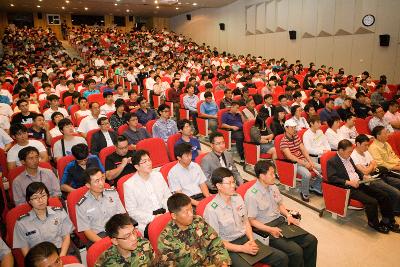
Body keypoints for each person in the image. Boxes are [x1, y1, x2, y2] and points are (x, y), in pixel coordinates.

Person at [203, 167, 289, 267]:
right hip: (228, 247)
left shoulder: (237, 198)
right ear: (218, 186)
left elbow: (246, 222)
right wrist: (242, 248)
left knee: (282, 258)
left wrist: (251, 240)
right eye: (229, 183)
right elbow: (215, 242)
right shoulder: (211, 210)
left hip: (246, 238)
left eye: (233, 182)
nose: (233, 186)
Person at [245, 160, 318, 267]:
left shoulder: (273, 187)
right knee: (296, 251)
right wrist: (270, 229)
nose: (274, 176)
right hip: (267, 228)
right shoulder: (251, 195)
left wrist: (288, 215)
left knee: (311, 240)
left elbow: (280, 205)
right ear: (262, 176)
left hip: (281, 222)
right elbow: (251, 221)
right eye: (271, 174)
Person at [327, 139, 399, 233]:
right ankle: (374, 224)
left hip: (360, 183)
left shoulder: (349, 158)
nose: (350, 153)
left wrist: (363, 176)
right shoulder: (332, 161)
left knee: (383, 195)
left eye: (351, 151)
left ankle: (388, 221)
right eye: (349, 151)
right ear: (341, 150)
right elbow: (332, 178)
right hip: (349, 188)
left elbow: (356, 171)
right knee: (372, 201)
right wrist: (348, 182)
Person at [158, 193, 231, 266]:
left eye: (191, 209)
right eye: (186, 212)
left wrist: (223, 263)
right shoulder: (165, 240)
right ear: (174, 216)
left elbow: (215, 242)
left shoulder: (198, 221)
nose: (191, 214)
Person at [13, 182, 74, 256]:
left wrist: (60, 258)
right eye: (35, 197)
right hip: (39, 258)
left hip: (60, 251)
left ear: (48, 196)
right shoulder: (21, 223)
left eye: (43, 196)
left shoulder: (59, 212)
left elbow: (66, 238)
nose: (40, 200)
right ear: (29, 201)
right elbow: (26, 252)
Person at [123, 150, 171, 237]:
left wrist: (167, 213)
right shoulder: (129, 185)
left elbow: (167, 196)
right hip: (148, 220)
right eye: (144, 162)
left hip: (166, 213)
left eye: (149, 160)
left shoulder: (158, 175)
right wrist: (153, 218)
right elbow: (132, 211)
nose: (149, 163)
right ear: (137, 166)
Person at [351, 134, 400, 215]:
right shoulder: (353, 156)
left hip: (379, 175)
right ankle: (395, 211)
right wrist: (371, 166)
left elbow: (375, 164)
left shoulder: (366, 152)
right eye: (365, 145)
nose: (367, 147)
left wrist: (370, 167)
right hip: (370, 180)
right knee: (395, 192)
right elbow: (365, 172)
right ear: (358, 144)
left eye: (368, 145)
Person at [76, 167, 125, 244]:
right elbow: (87, 231)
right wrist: (106, 243)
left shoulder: (112, 193)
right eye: (97, 181)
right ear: (88, 185)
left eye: (102, 178)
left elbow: (122, 215)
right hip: (98, 237)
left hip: (118, 231)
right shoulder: (82, 205)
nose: (101, 183)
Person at [280, 120, 323, 202]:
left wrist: (309, 161)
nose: (294, 129)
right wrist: (304, 163)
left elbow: (303, 150)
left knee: (322, 168)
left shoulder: (296, 136)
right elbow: (290, 157)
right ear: (286, 128)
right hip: (294, 164)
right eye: (292, 128)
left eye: (294, 127)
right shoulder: (283, 141)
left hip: (303, 160)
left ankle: (315, 187)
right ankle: (304, 192)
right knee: (307, 175)